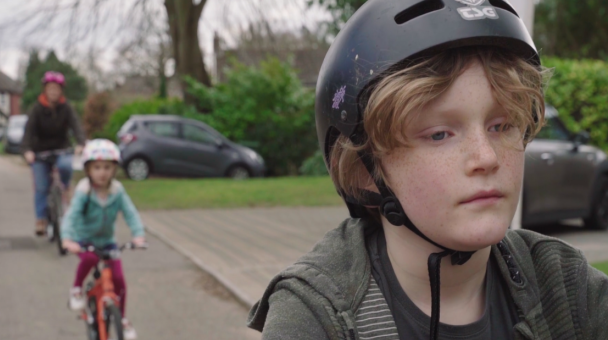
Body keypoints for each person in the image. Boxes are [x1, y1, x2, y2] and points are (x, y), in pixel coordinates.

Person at [247, 1, 608, 339]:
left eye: (501, 126)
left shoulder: (564, 285)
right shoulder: (316, 317)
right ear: (362, 168)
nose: (487, 157)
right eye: (439, 134)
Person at [61, 139, 146, 340]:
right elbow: (71, 215)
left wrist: (138, 235)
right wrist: (67, 239)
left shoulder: (117, 191)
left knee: (118, 280)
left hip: (108, 242)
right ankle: (76, 290)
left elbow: (130, 213)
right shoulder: (84, 190)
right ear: (88, 169)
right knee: (90, 259)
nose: (102, 172)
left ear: (114, 169)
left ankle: (123, 319)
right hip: (84, 240)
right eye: (97, 167)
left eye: (107, 167)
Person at [21, 71, 86, 236]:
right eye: (50, 89)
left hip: (61, 149)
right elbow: (28, 132)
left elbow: (76, 125)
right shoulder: (37, 108)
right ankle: (41, 219)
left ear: (61, 91)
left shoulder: (66, 107)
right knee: (41, 186)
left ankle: (65, 188)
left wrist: (80, 143)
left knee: (65, 166)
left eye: (56, 89)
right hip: (40, 152)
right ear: (45, 90)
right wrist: (27, 150)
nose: (53, 92)